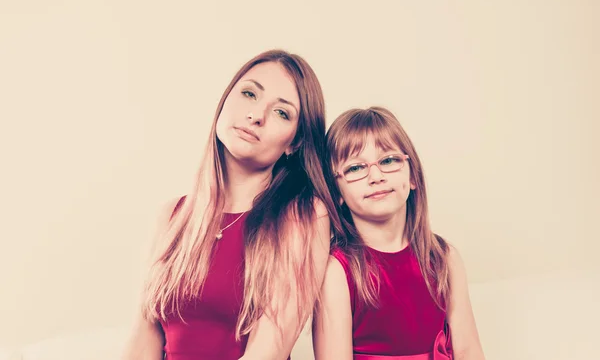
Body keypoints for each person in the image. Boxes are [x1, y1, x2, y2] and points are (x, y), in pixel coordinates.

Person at [122, 50, 341, 360]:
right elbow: (143, 341)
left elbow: (268, 352)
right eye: (249, 93)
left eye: (282, 112)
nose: (256, 116)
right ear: (225, 101)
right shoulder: (172, 216)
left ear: (295, 142)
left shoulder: (304, 215)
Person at [313, 106, 485, 360]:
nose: (376, 176)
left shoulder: (444, 258)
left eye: (388, 160)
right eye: (355, 168)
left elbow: (469, 351)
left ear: (412, 174)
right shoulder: (336, 270)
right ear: (336, 192)